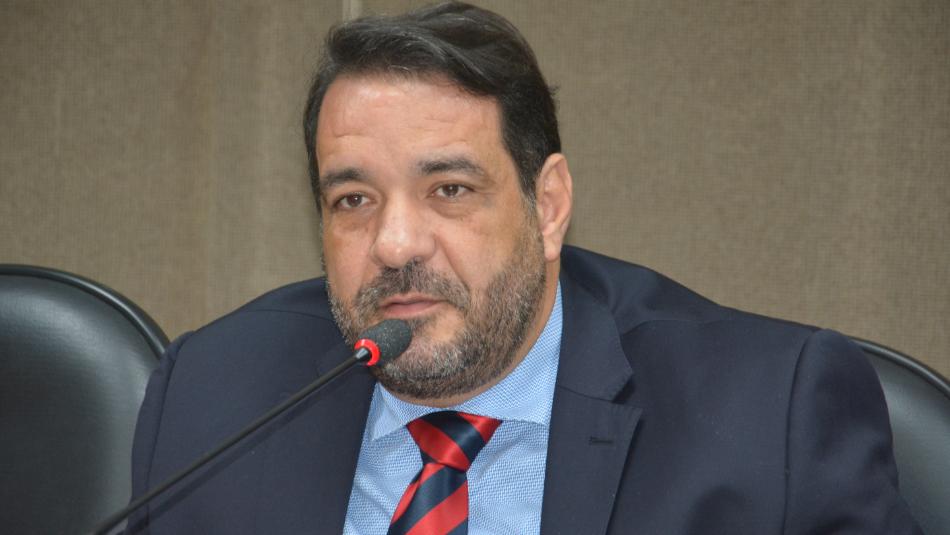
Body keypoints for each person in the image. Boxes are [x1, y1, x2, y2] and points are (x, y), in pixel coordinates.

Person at [127, 2, 922, 534]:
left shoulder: (768, 418)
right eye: (354, 200)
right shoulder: (213, 400)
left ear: (548, 206)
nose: (395, 244)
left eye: (449, 189)